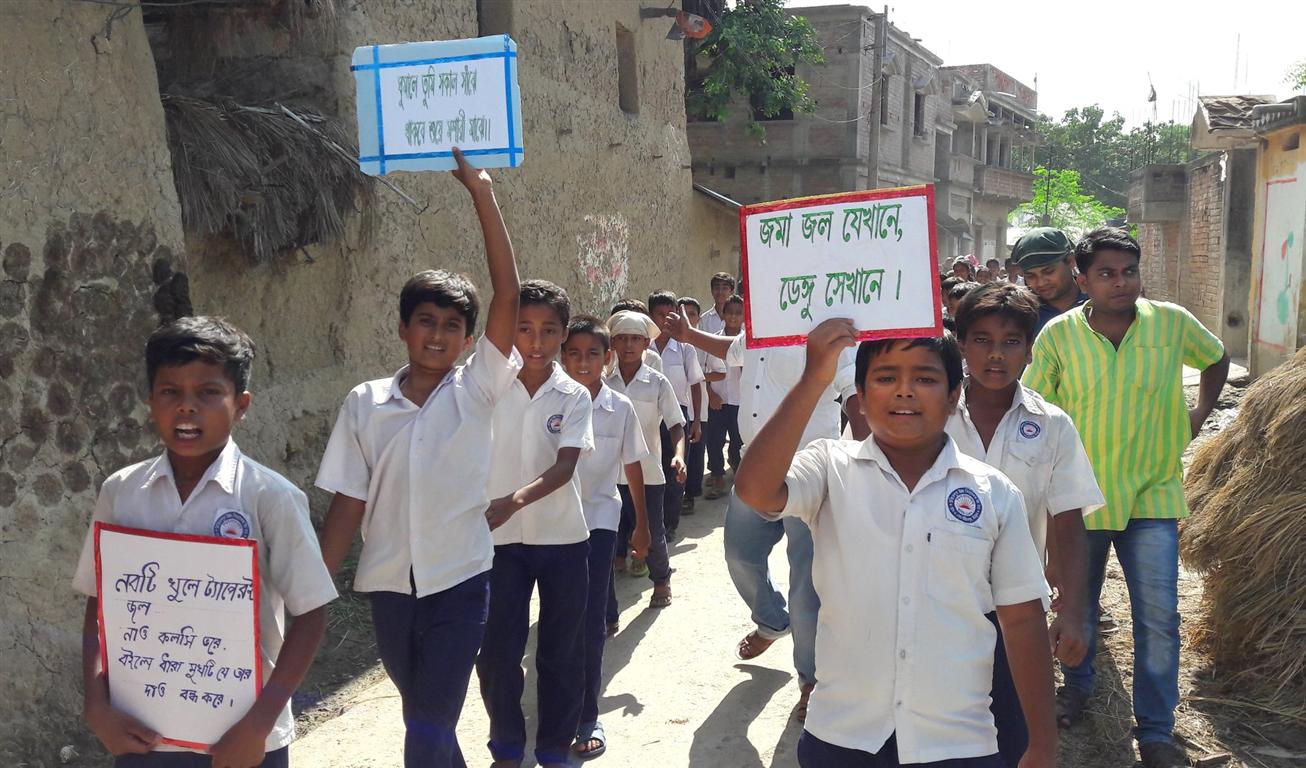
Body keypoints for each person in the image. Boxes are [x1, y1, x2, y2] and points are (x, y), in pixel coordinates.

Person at [733, 321, 1056, 768]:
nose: (904, 390)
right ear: (860, 397)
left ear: (954, 395)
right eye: (886, 377)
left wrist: (1042, 743)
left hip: (958, 740)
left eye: (925, 378)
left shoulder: (994, 493)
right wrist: (813, 379)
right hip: (841, 733)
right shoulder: (830, 467)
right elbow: (755, 490)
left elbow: (1022, 620)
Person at [316, 149, 520, 768]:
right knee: (424, 720)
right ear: (403, 329)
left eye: (453, 325)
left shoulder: (477, 390)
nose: (437, 334)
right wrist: (312, 588)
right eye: (425, 321)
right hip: (388, 588)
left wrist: (482, 193)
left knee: (428, 727)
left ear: (468, 338)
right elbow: (348, 502)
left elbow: (508, 293)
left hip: (460, 582)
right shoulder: (366, 403)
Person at [75, 316, 338, 768]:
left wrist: (258, 725)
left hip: (242, 740)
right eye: (170, 392)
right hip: (142, 736)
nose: (186, 407)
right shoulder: (121, 492)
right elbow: (101, 604)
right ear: (150, 399)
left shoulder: (269, 498)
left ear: (242, 405)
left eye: (208, 392)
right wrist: (97, 703)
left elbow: (311, 615)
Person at [1023, 228, 1230, 768]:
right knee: (1079, 605)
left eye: (1129, 271)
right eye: (1107, 274)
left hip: (1152, 495)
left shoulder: (1171, 323)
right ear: (1082, 278)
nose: (1121, 283)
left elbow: (1215, 357)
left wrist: (1198, 414)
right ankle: (1077, 687)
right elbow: (1036, 407)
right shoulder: (1059, 336)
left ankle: (1157, 731)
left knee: (1159, 618)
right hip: (1083, 500)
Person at [662, 311, 865, 722]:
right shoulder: (765, 321)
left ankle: (811, 682)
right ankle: (772, 621)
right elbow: (735, 351)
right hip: (755, 469)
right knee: (739, 554)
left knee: (807, 587)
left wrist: (871, 457)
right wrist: (689, 334)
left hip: (810, 473)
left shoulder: (828, 328)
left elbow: (853, 391)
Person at [951, 283, 1106, 767]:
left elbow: (1069, 519)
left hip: (1016, 611)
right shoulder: (931, 415)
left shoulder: (1052, 425)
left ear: (1030, 350)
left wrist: (1074, 611)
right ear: (962, 345)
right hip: (938, 603)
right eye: (982, 340)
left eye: (1011, 342)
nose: (996, 355)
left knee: (1013, 730)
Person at [477, 280, 594, 768]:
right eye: (524, 329)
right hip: (499, 542)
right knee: (496, 653)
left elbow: (565, 466)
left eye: (548, 330)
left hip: (562, 539)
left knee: (560, 652)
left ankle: (552, 748)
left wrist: (514, 500)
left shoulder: (574, 395)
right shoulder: (486, 385)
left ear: (563, 334)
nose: (536, 341)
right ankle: (506, 745)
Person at [561, 315, 651, 760]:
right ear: (562, 357)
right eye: (574, 354)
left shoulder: (621, 407)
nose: (583, 362)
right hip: (552, 524)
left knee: (593, 616)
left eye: (593, 354)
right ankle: (557, 703)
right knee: (561, 618)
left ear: (607, 358)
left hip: (598, 520)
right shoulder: (550, 402)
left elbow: (632, 466)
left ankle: (586, 714)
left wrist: (643, 525)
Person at [604, 310, 684, 612]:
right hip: (608, 473)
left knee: (651, 531)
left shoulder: (657, 382)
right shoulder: (603, 382)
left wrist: (678, 455)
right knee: (608, 530)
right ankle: (609, 591)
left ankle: (661, 580)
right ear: (612, 343)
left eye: (635, 339)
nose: (628, 345)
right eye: (622, 339)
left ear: (646, 344)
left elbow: (676, 423)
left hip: (648, 473)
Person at [647, 291, 704, 537]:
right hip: (648, 415)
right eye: (659, 315)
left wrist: (697, 420)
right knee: (650, 471)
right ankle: (648, 523)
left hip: (677, 416)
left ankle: (669, 524)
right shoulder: (643, 347)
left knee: (674, 472)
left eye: (670, 314)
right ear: (651, 317)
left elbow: (696, 384)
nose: (665, 320)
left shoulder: (685, 349)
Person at [1010, 228, 1088, 338]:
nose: (1040, 283)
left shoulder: (1099, 302)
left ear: (1070, 261)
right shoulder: (1023, 314)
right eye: (1031, 276)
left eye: (1048, 271)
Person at [704, 295, 745, 500]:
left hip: (740, 401)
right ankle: (718, 477)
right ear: (723, 314)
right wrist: (711, 394)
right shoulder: (713, 341)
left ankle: (739, 474)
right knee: (714, 441)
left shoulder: (748, 343)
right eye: (730, 312)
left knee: (738, 441)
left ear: (744, 316)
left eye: (738, 313)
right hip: (717, 401)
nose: (733, 317)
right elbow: (703, 372)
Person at [677, 296, 710, 513]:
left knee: (695, 455)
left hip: (698, 408)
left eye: (692, 314)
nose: (687, 319)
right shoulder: (668, 344)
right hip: (675, 410)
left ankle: (690, 494)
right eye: (684, 314)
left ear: (698, 318)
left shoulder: (704, 344)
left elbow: (718, 371)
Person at [698, 272, 736, 336]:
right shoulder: (704, 320)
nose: (720, 292)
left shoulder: (739, 319)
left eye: (725, 288)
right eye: (717, 288)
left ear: (732, 292)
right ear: (712, 291)